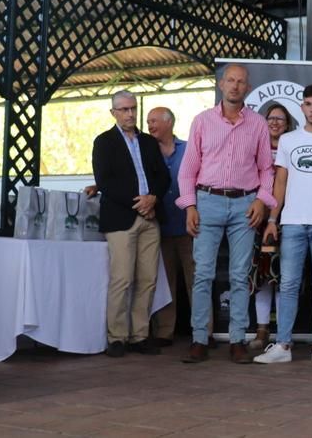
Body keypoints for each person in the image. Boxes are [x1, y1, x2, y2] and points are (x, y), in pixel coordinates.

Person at [178, 63, 276, 365]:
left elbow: (266, 168)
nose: (235, 86)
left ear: (247, 88)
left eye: (241, 82)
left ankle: (237, 340)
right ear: (221, 85)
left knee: (239, 274)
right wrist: (190, 206)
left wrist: (261, 201)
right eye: (230, 80)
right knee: (203, 273)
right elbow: (188, 170)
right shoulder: (202, 121)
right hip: (208, 201)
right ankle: (198, 339)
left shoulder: (258, 124)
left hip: (245, 205)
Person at [254, 85, 312, 366]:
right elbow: (279, 182)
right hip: (292, 221)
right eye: (308, 104)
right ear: (302, 107)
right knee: (289, 285)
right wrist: (273, 218)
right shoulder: (288, 141)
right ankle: (283, 344)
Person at [91, 90, 171, 357]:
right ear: (113, 112)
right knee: (122, 279)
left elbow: (163, 176)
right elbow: (104, 181)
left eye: (132, 109)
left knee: (147, 280)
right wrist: (140, 203)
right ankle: (117, 338)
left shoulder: (148, 142)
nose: (129, 114)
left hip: (151, 218)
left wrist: (154, 199)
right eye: (123, 109)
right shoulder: (104, 142)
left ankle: (139, 336)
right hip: (121, 218)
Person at [249, 103, 296, 351]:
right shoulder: (255, 148)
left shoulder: (294, 148)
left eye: (280, 119)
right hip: (258, 220)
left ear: (288, 124)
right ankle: (262, 328)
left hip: (289, 218)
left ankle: (283, 331)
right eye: (270, 118)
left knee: (283, 276)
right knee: (262, 276)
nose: (275, 122)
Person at [147, 107, 194, 347]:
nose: (149, 125)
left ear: (168, 123)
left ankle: (201, 332)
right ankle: (164, 332)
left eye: (154, 121)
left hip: (189, 226)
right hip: (159, 227)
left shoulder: (189, 149)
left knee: (196, 280)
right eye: (148, 121)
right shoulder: (145, 152)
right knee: (165, 283)